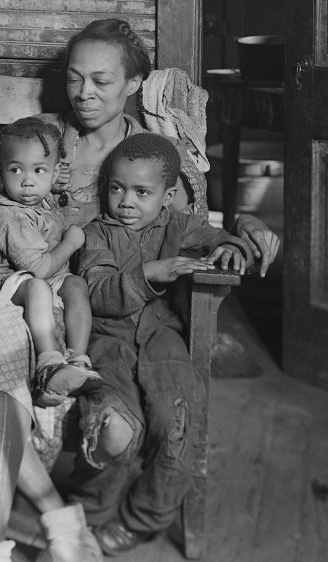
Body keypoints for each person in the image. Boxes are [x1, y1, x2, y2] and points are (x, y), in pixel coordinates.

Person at [0, 18, 281, 561]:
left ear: (132, 85)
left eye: (102, 81)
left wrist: (243, 221)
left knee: (9, 355)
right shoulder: (43, 136)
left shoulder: (147, 154)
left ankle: (5, 530)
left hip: (89, 308)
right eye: (76, 79)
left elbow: (189, 224)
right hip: (28, 292)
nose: (84, 94)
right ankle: (45, 518)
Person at [75, 132, 251, 554]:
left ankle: (144, 516)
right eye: (117, 188)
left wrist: (230, 246)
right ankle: (89, 512)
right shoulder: (97, 233)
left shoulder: (179, 225)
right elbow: (96, 291)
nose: (126, 201)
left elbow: (214, 237)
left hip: (162, 338)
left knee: (177, 420)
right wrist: (150, 272)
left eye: (141, 192)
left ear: (168, 195)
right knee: (116, 424)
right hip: (107, 341)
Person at [0, 116, 102, 407]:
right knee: (38, 287)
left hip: (41, 277)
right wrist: (71, 242)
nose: (28, 181)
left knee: (77, 285)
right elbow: (39, 269)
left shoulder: (42, 201)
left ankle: (77, 361)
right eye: (16, 170)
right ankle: (48, 363)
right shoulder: (8, 217)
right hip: (0, 283)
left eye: (39, 171)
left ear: (55, 175)